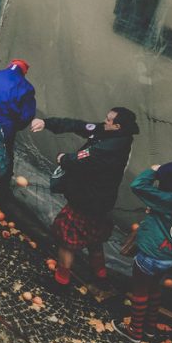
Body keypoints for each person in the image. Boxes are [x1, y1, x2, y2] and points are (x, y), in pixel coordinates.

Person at [30, 107, 140, 294]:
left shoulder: (110, 148)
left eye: (108, 120)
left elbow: (80, 160)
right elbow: (80, 126)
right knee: (94, 240)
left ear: (118, 126)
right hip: (100, 203)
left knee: (66, 240)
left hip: (86, 201)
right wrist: (48, 123)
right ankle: (101, 278)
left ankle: (61, 282)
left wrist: (63, 158)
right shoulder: (112, 134)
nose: (104, 121)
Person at [113, 162, 172, 343]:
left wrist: (154, 172)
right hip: (171, 257)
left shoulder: (170, 200)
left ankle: (135, 330)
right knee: (154, 288)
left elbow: (137, 185)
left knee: (140, 290)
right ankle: (149, 328)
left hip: (151, 256)